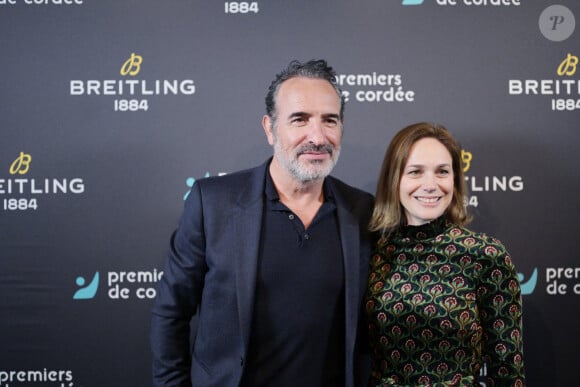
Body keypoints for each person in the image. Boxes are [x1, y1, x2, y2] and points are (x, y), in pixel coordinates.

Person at [151, 59, 374, 387]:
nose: (318, 136)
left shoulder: (363, 211)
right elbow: (170, 313)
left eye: (330, 120)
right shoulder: (212, 203)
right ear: (270, 128)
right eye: (300, 119)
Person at [365, 123, 524, 386]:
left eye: (442, 172)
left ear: (455, 179)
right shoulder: (373, 252)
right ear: (394, 179)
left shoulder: (485, 254)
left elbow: (507, 367)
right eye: (415, 172)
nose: (431, 185)